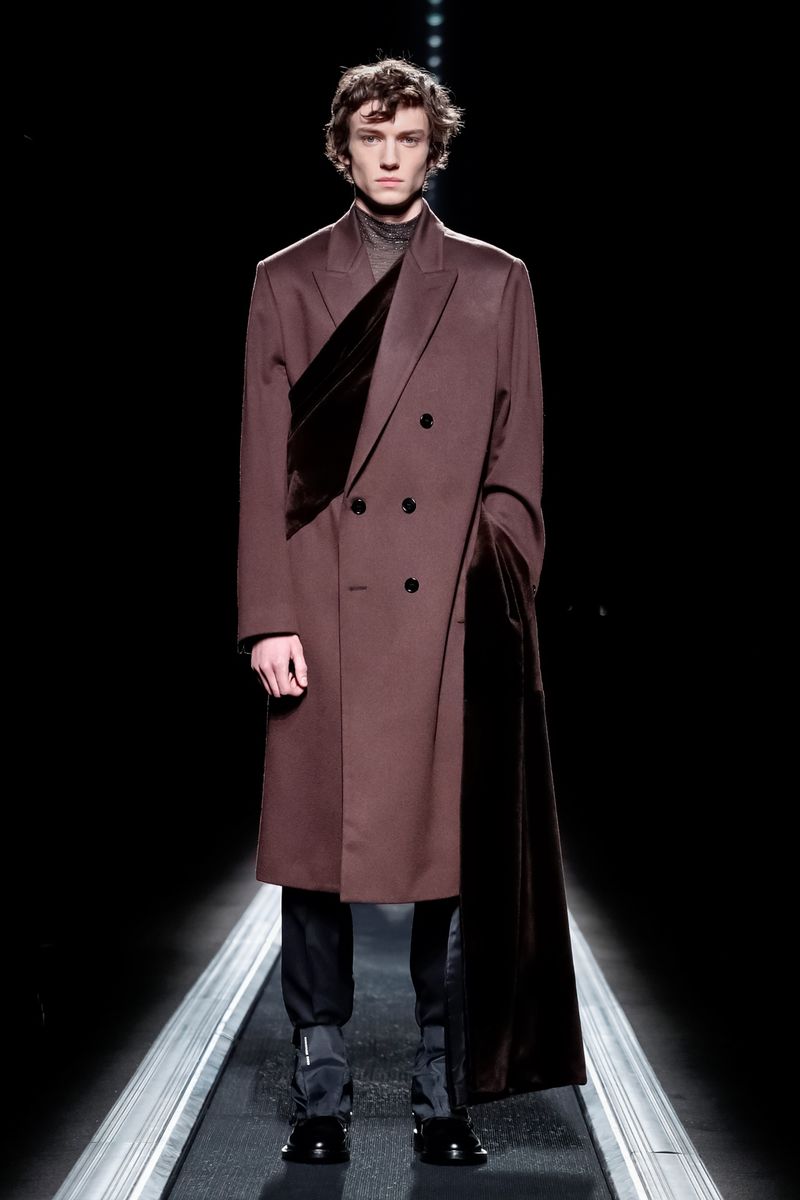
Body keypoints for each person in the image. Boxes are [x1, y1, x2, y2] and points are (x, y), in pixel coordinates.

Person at [237, 57, 587, 1167]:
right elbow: (263, 464)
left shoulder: (495, 281)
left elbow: (516, 458)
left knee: (449, 863)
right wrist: (268, 617)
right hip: (325, 605)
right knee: (315, 864)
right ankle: (323, 1095)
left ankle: (444, 1097)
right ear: (341, 149)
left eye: (408, 139)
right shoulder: (286, 279)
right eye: (370, 138)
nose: (389, 157)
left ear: (435, 151)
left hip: (448, 611)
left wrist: (495, 579)